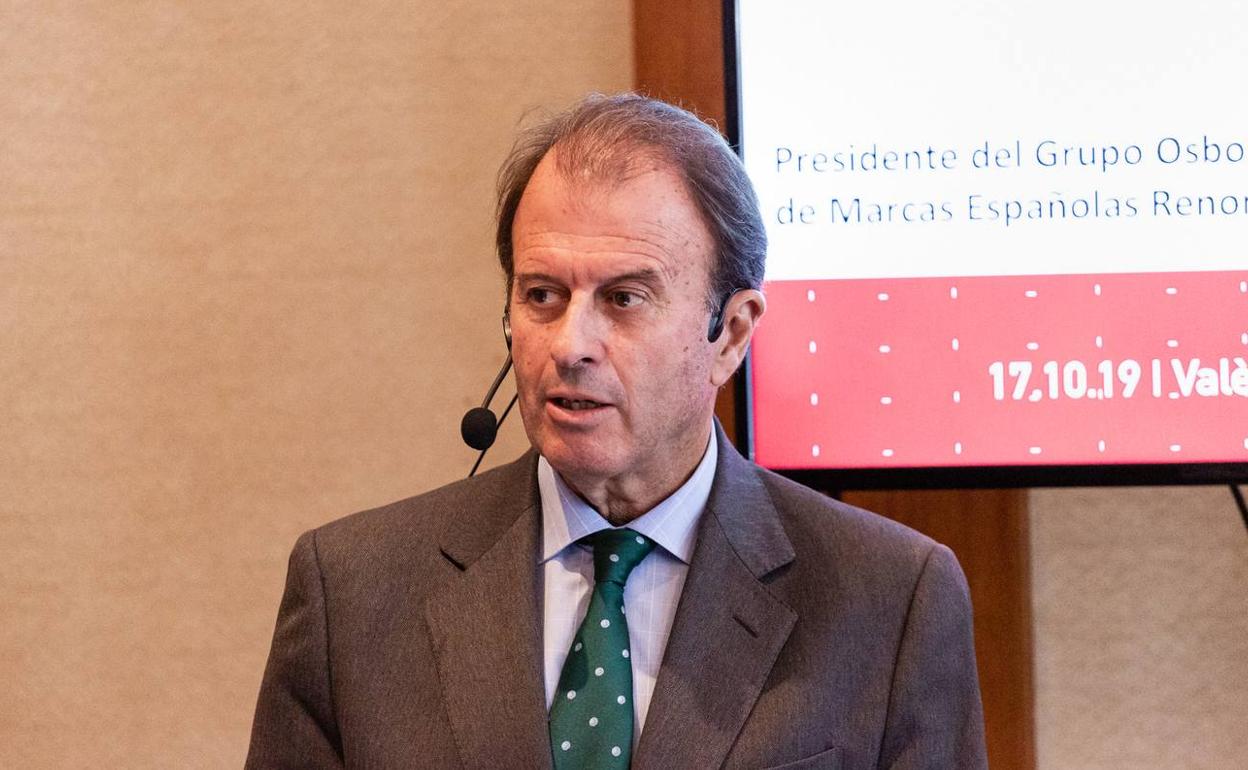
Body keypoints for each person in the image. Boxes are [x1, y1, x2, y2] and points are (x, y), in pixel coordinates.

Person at [246, 93, 987, 769]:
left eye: (624, 299)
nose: (570, 345)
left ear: (730, 333)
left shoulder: (889, 598)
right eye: (543, 295)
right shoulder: (354, 592)